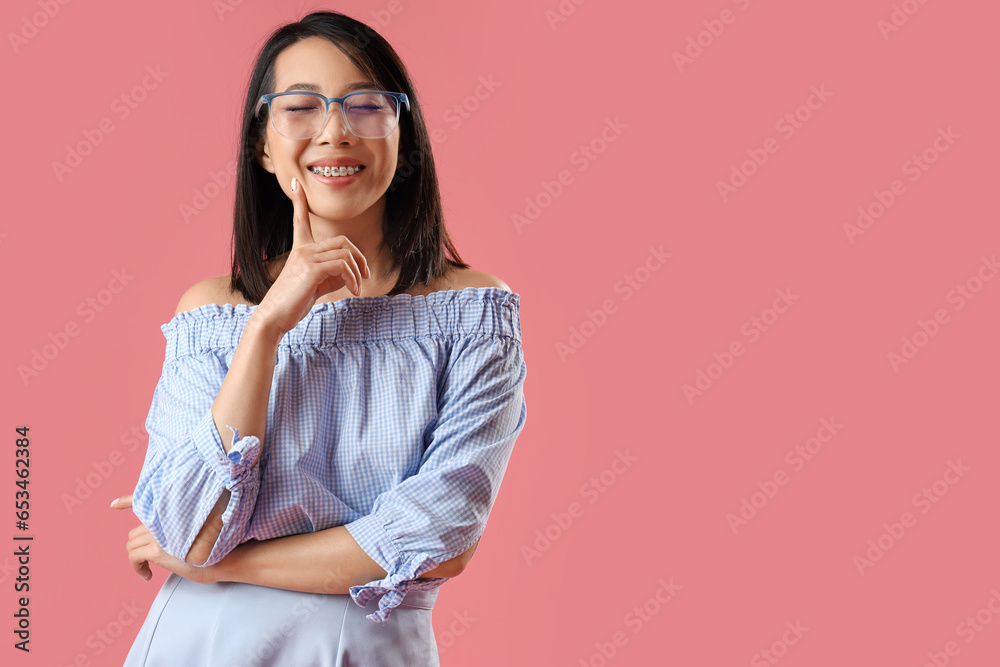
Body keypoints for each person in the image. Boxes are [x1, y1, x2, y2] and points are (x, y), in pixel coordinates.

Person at [109, 10, 528, 666]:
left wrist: (225, 566)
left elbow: (439, 538)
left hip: (365, 648)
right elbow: (193, 528)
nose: (335, 130)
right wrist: (267, 327)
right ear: (263, 144)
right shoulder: (212, 313)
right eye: (300, 107)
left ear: (403, 133)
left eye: (364, 104)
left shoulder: (470, 314)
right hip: (199, 646)